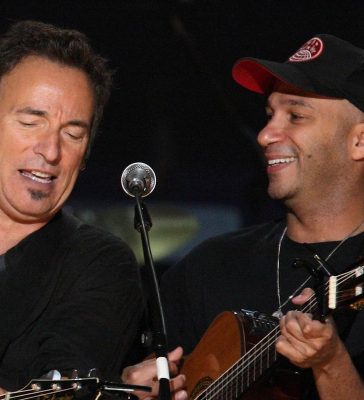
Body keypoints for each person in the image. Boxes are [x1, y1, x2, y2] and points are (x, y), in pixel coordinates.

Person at [127, 34, 364, 399]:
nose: (265, 135)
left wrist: (331, 364)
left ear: (359, 141)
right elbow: (138, 373)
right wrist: (131, 386)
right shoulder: (209, 267)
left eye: (296, 116)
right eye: (269, 116)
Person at [0, 20, 145, 400]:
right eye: (31, 122)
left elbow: (71, 368)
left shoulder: (99, 265)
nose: (50, 151)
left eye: (73, 134)